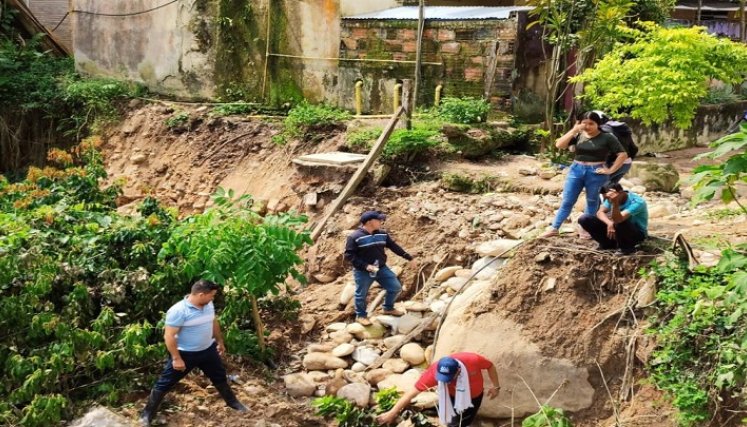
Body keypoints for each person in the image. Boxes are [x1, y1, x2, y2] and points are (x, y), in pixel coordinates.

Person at [139, 280, 247, 426]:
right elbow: (169, 336)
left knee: (219, 376)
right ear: (201, 295)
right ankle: (147, 414)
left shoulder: (208, 305)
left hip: (208, 350)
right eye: (212, 295)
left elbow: (213, 322)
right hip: (185, 354)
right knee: (165, 383)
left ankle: (233, 403)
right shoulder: (178, 311)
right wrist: (176, 358)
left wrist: (219, 341)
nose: (213, 299)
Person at [542, 111, 628, 238]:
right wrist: (574, 130)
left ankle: (586, 230)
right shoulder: (578, 135)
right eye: (584, 123)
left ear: (598, 124)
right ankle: (554, 228)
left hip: (596, 171)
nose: (587, 126)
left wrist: (610, 170)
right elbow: (559, 145)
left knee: (592, 201)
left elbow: (622, 154)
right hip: (576, 169)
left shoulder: (607, 137)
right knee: (567, 200)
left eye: (591, 123)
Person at [376, 353, 501, 427]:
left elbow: (490, 366)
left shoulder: (472, 360)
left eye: (449, 377)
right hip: (451, 397)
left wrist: (496, 386)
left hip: (475, 396)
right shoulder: (432, 374)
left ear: (458, 370)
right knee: (452, 421)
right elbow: (410, 394)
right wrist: (392, 412)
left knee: (466, 418)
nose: (445, 381)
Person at [344, 211, 415, 326]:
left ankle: (388, 308)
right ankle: (361, 316)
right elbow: (349, 255)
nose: (381, 222)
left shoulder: (382, 234)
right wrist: (366, 266)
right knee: (361, 294)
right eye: (379, 220)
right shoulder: (354, 237)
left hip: (381, 268)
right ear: (369, 222)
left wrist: (408, 257)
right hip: (363, 271)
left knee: (395, 287)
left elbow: (393, 246)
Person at [578, 182, 648, 255]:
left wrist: (615, 203)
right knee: (585, 219)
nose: (607, 200)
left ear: (620, 192)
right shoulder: (610, 198)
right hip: (617, 231)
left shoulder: (637, 202)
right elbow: (600, 212)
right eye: (605, 198)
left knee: (619, 222)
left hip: (635, 234)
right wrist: (609, 223)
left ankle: (626, 249)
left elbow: (618, 219)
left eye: (608, 198)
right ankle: (607, 244)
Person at [595, 111, 638, 185]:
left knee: (598, 187)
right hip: (626, 164)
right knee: (610, 190)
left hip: (614, 164)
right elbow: (634, 148)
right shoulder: (621, 128)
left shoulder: (604, 129)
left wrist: (608, 166)